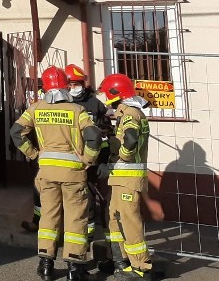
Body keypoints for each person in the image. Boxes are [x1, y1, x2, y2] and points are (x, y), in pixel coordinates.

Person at [11, 66, 102, 281]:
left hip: (47, 173)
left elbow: (15, 132)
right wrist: (88, 159)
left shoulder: (35, 108)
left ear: (45, 87)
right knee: (75, 219)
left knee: (48, 217)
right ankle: (74, 268)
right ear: (65, 86)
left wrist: (33, 154)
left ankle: (45, 265)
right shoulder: (76, 110)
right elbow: (94, 137)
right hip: (73, 173)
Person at [21, 63, 109, 234]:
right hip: (54, 159)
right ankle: (38, 222)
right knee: (40, 192)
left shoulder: (94, 105)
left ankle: (87, 233)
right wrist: (33, 153)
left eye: (78, 83)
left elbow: (103, 135)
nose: (74, 87)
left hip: (84, 163)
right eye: (71, 84)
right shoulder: (53, 104)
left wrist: (100, 160)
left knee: (85, 199)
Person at [96, 73, 154, 279]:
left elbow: (129, 139)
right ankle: (120, 260)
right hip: (120, 179)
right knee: (114, 218)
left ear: (116, 94)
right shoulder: (125, 113)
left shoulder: (130, 114)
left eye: (107, 94)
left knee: (129, 220)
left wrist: (122, 154)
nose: (105, 99)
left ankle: (141, 266)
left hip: (128, 179)